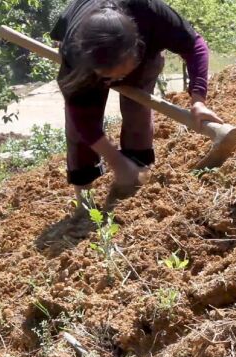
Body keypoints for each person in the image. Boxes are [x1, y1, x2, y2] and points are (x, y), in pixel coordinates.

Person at [50, 0, 222, 204]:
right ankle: (85, 202)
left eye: (119, 73)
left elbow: (196, 47)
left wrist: (198, 100)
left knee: (137, 110)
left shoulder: (151, 14)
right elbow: (82, 119)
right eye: (106, 77)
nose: (114, 82)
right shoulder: (75, 51)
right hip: (86, 61)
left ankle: (137, 180)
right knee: (78, 132)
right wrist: (117, 162)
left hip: (142, 56)